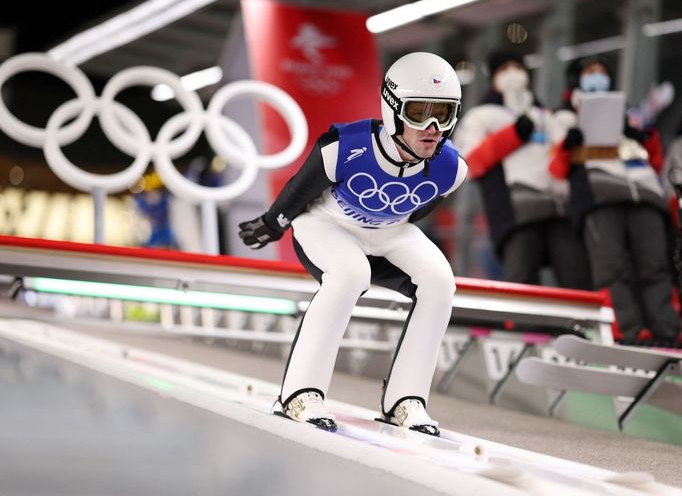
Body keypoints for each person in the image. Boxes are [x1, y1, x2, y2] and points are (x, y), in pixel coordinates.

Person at [238, 52, 468, 435]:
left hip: (389, 230)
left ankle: (405, 401)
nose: (431, 127)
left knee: (440, 280)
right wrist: (271, 224)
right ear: (392, 110)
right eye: (419, 113)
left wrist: (383, 235)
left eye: (442, 115)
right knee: (349, 272)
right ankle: (299, 394)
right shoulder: (344, 146)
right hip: (326, 222)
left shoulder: (452, 169)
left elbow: (416, 210)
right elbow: (300, 191)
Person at [549, 56, 680, 345]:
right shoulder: (563, 118)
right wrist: (568, 145)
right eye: (590, 72)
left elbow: (655, 162)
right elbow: (556, 171)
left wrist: (642, 136)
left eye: (602, 72)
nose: (598, 77)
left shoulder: (628, 113)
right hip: (600, 198)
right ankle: (628, 333)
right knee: (611, 269)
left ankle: (669, 331)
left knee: (655, 268)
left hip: (644, 196)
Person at [454, 49, 591, 289]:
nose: (513, 74)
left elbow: (561, 156)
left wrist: (570, 145)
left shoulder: (546, 116)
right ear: (494, 77)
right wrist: (513, 135)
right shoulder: (481, 116)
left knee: (577, 280)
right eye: (504, 69)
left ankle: (582, 328)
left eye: (517, 68)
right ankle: (521, 328)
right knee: (522, 284)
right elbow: (467, 165)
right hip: (516, 213)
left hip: (559, 210)